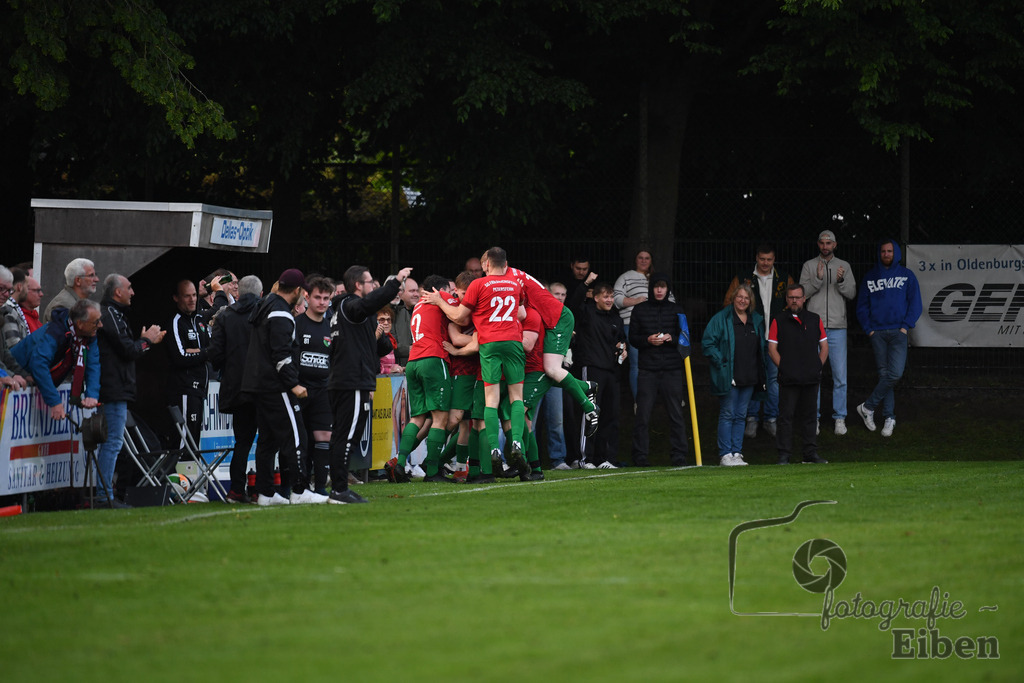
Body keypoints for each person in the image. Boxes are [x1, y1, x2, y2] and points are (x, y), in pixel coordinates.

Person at [426, 247, 530, 475]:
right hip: (513, 341)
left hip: (489, 344)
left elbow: (458, 316)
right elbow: (521, 315)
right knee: (516, 398)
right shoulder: (515, 284)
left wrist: (438, 300)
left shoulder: (479, 285)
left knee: (491, 401)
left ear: (486, 265)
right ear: (505, 263)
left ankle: (494, 448)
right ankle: (517, 444)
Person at [327, 264, 412, 504]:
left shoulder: (353, 313)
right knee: (346, 436)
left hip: (351, 380)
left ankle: (340, 487)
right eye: (369, 283)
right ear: (358, 285)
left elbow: (382, 346)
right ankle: (339, 489)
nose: (373, 287)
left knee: (347, 436)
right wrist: (395, 282)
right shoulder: (351, 306)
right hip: (350, 382)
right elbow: (367, 305)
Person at [243, 269, 327, 506]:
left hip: (259, 385)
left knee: (268, 441)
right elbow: (281, 355)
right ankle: (299, 489)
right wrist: (294, 385)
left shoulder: (266, 305)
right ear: (300, 291)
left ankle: (266, 493)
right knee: (297, 436)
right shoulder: (281, 313)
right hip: (276, 386)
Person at [95, 274, 165, 507]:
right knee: (112, 443)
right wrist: (146, 340)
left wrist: (144, 342)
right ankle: (105, 496)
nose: (133, 292)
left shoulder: (115, 315)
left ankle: (107, 494)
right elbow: (128, 350)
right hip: (113, 388)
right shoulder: (109, 314)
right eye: (129, 288)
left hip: (118, 388)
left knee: (113, 443)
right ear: (117, 292)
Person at [386, 274, 457, 483]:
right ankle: (433, 471)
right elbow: (463, 315)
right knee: (440, 418)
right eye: (450, 291)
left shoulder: (418, 306)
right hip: (433, 360)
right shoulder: (441, 297)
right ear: (439, 290)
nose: (452, 295)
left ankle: (399, 464)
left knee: (417, 418)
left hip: (414, 361)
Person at [723, 244, 793, 438]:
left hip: (776, 340)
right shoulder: (744, 277)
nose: (765, 263)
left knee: (773, 379)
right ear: (756, 258)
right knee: (752, 378)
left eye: (769, 259)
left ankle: (771, 418)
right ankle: (751, 419)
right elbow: (729, 302)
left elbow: (793, 302)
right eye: (762, 259)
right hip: (751, 338)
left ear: (774, 259)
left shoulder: (783, 278)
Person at [855, 240, 923, 438]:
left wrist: (904, 327)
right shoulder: (870, 276)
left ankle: (868, 407)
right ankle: (889, 417)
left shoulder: (907, 275)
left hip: (898, 332)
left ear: (896, 253)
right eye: (883, 251)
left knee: (894, 374)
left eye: (890, 251)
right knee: (886, 376)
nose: (886, 254)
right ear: (879, 253)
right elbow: (862, 306)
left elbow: (915, 304)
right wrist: (869, 330)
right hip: (877, 332)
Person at [208, 274, 263, 503]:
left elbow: (215, 354)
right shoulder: (264, 313)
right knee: (267, 440)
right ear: (261, 294)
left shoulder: (226, 316)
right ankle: (263, 488)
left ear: (238, 293)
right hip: (262, 386)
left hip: (236, 387)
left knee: (242, 441)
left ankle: (236, 490)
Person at [628, 272, 690, 467]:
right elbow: (633, 338)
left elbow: (686, 338)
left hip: (672, 369)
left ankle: (679, 456)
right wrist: (648, 340)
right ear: (651, 288)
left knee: (676, 414)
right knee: (643, 415)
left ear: (668, 289)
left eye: (663, 286)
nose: (660, 290)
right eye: (656, 286)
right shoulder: (639, 310)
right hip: (647, 370)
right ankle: (640, 458)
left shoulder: (677, 310)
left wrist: (672, 337)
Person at [703, 283, 767, 467]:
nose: (742, 300)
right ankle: (725, 454)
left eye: (746, 298)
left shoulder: (756, 320)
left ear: (751, 301)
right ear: (733, 298)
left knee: (741, 415)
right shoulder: (721, 318)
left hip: (749, 375)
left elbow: (761, 347)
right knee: (727, 414)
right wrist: (721, 361)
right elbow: (708, 343)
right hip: (728, 375)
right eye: (739, 296)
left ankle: (737, 453)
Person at [799, 230, 856, 436]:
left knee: (840, 376)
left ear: (835, 245)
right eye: (822, 243)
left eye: (828, 243)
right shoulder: (808, 265)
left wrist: (840, 281)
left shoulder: (845, 266)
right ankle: (813, 418)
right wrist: (817, 279)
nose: (825, 246)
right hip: (814, 327)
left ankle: (839, 418)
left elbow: (851, 293)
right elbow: (801, 295)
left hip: (838, 327)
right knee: (814, 373)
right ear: (818, 244)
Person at [768, 284, 829, 465]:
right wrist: (785, 368)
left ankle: (810, 454)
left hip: (811, 378)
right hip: (788, 379)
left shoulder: (815, 319)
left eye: (798, 297)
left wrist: (817, 366)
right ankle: (784, 455)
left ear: (804, 299)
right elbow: (772, 349)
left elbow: (824, 347)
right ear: (786, 299)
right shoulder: (777, 320)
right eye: (791, 297)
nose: (794, 300)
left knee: (810, 416)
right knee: (785, 417)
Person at [569, 277, 626, 469]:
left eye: (611, 296)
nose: (609, 300)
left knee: (610, 415)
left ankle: (603, 459)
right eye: (606, 296)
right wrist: (585, 284)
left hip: (612, 372)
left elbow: (621, 342)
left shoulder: (616, 318)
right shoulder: (587, 312)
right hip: (591, 368)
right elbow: (573, 303)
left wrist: (623, 350)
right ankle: (586, 458)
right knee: (591, 413)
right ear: (596, 298)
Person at [12, 298, 101, 420]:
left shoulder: (89, 335)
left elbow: (93, 364)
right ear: (80, 323)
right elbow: (39, 364)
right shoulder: (55, 332)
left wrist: (92, 394)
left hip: (32, 379)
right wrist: (54, 401)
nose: (100, 325)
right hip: (15, 373)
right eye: (96, 322)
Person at [294, 276, 336, 493]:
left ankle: (320, 489)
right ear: (307, 297)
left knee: (323, 438)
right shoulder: (297, 325)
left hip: (322, 391)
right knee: (301, 441)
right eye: (317, 297)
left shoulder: (331, 328)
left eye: (326, 298)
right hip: (299, 390)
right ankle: (298, 488)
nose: (321, 302)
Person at [166, 279, 211, 448]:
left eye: (194, 295)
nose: (192, 299)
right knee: (183, 441)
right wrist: (204, 352)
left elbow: (212, 349)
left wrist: (198, 351)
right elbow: (181, 357)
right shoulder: (176, 322)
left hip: (199, 389)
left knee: (194, 441)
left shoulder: (200, 318)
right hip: (184, 389)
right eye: (187, 296)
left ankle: (191, 475)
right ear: (176, 298)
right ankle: (176, 474)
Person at [536, 281, 568, 469]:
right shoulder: (538, 314)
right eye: (557, 294)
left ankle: (558, 459)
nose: (560, 298)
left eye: (563, 294)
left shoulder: (564, 317)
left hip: (555, 374)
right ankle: (529, 458)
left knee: (557, 419)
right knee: (529, 421)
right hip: (537, 373)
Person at [614, 249, 653, 400]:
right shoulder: (626, 277)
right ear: (635, 260)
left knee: (656, 362)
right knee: (637, 363)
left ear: (651, 261)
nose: (643, 261)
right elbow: (616, 300)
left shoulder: (655, 279)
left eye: (647, 258)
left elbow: (671, 300)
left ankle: (660, 397)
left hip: (654, 326)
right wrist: (638, 301)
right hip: (632, 325)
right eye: (640, 258)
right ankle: (639, 401)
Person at [43, 258, 99, 322]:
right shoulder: (64, 306)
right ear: (78, 280)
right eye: (91, 275)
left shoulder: (76, 302)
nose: (97, 279)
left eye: (95, 275)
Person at [3, 271, 44, 348]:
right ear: (19, 287)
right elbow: (14, 347)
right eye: (26, 287)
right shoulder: (8, 311)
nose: (41, 294)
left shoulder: (14, 309)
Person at [393, 277, 418, 368]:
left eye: (417, 291)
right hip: (399, 368)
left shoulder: (420, 311)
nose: (416, 294)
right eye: (412, 291)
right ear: (401, 293)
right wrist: (409, 349)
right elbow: (389, 343)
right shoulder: (392, 313)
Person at [376, 306, 402, 374]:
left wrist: (397, 368)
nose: (386, 323)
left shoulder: (390, 340)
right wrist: (389, 370)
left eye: (389, 320)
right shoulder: (374, 339)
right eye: (382, 320)